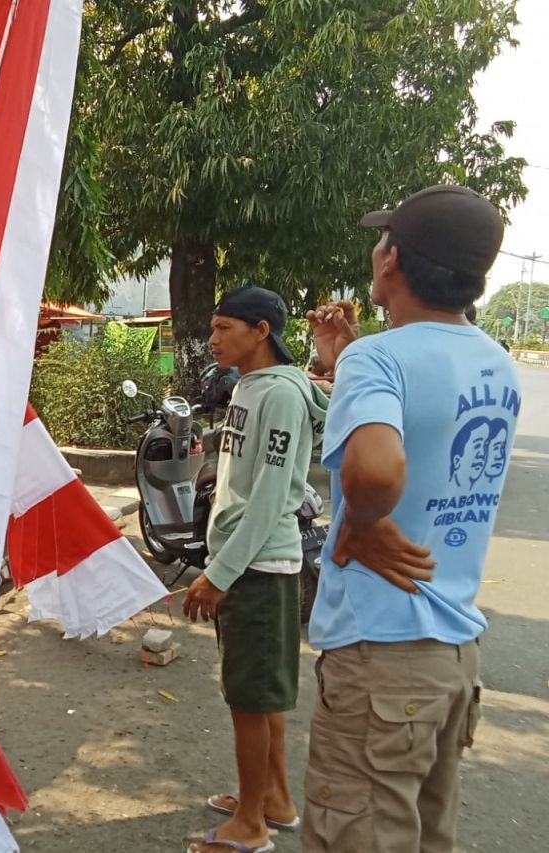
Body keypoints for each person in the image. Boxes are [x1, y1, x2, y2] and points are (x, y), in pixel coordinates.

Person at [302, 185, 520, 852]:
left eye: (381, 241)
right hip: (452, 655)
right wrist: (346, 361)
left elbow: (375, 470)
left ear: (393, 260)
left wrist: (362, 522)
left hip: (382, 658)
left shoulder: (382, 359)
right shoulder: (496, 362)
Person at [183, 286, 328, 853]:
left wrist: (220, 574)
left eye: (225, 328)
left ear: (261, 330)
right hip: (246, 560)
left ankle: (249, 826)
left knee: (249, 699)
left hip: (260, 567)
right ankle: (273, 800)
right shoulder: (251, 385)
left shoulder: (283, 397)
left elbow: (271, 496)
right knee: (260, 695)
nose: (213, 338)